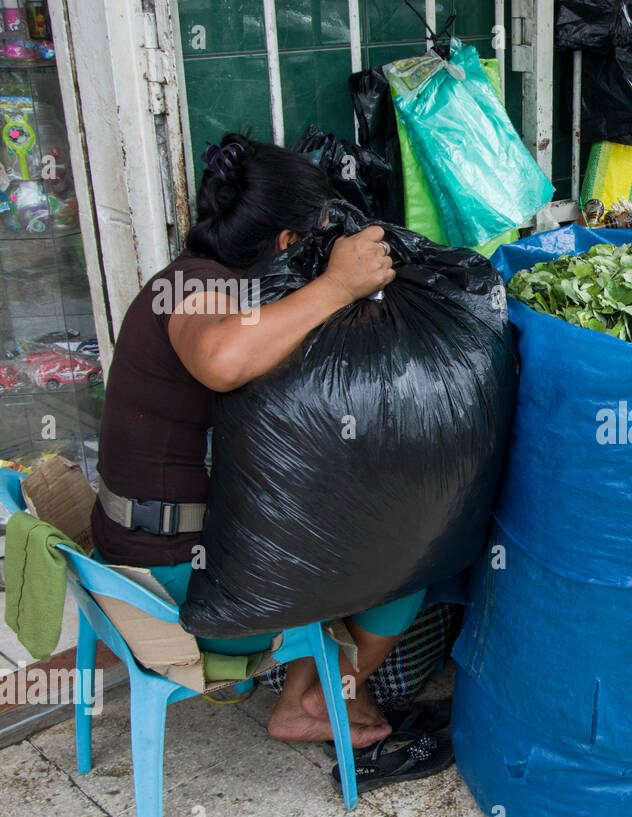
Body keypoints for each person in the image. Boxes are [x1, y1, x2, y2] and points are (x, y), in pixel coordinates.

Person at [93, 132, 412, 750]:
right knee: (408, 544)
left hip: (147, 552)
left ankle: (305, 689)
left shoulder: (201, 279)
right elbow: (221, 359)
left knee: (337, 513)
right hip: (174, 586)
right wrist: (339, 286)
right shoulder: (199, 287)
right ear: (289, 242)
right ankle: (321, 694)